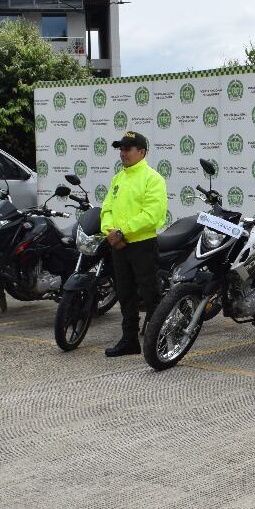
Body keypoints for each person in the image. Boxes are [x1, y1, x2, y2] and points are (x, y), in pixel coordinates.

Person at [101, 130, 167, 356]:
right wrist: (110, 232)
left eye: (127, 149)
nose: (122, 153)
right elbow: (107, 209)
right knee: (125, 294)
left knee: (151, 294)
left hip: (142, 244)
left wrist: (122, 232)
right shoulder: (118, 178)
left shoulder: (153, 179)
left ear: (141, 152)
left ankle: (160, 340)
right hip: (119, 245)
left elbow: (152, 215)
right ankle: (129, 340)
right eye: (120, 149)